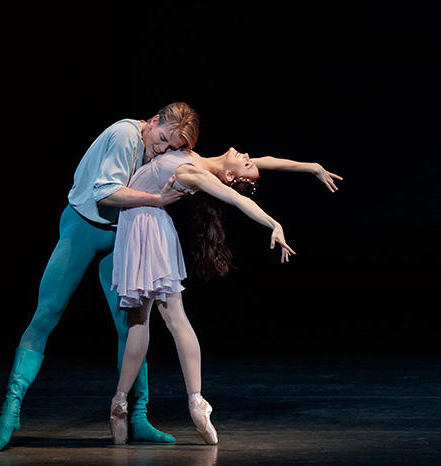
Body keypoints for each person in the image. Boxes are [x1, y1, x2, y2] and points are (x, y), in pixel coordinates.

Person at [0, 102, 200, 452]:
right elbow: (106, 192)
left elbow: (209, 164)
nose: (161, 150)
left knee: (133, 324)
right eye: (162, 139)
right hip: (84, 227)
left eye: (170, 147)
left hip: (120, 235)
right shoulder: (124, 135)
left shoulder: (161, 144)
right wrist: (157, 199)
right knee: (47, 312)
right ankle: (10, 410)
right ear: (155, 120)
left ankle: (138, 416)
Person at [108, 147, 342, 444]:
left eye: (245, 164)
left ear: (230, 175)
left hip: (147, 231)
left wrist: (274, 223)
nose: (247, 155)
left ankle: (173, 401)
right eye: (247, 159)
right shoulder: (201, 160)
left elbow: (236, 198)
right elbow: (268, 161)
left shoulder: (193, 173)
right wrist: (312, 164)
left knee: (166, 319)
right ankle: (126, 402)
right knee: (141, 322)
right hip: (137, 227)